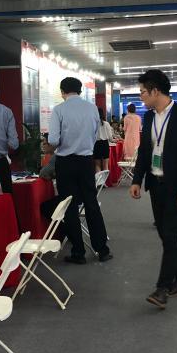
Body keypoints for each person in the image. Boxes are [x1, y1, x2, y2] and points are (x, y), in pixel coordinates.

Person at [129, 69, 177, 309]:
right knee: (166, 234)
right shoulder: (149, 117)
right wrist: (137, 179)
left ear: (155, 91)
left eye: (142, 92)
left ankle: (162, 288)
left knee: (169, 235)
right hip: (155, 184)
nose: (140, 96)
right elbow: (145, 152)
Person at [45, 77, 111, 263]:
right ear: (80, 90)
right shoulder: (91, 108)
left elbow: (53, 140)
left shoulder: (59, 110)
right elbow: (95, 135)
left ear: (62, 91)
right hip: (86, 161)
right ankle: (102, 249)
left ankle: (78, 252)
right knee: (91, 204)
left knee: (70, 206)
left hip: (65, 162)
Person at [93, 107, 113, 172]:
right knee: (105, 165)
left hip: (96, 144)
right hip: (105, 144)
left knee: (97, 165)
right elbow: (110, 137)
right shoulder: (106, 124)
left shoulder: (93, 124)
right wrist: (112, 140)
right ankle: (105, 179)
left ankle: (99, 179)